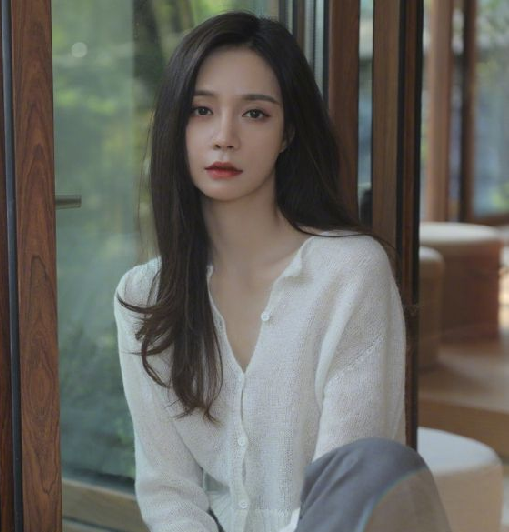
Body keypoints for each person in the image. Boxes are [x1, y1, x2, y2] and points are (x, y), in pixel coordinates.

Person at [113, 11, 453, 532]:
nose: (224, 136)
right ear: (175, 126)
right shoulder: (144, 297)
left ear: (287, 132)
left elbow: (343, 496)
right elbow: (168, 493)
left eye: (255, 113)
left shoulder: (350, 274)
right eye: (202, 110)